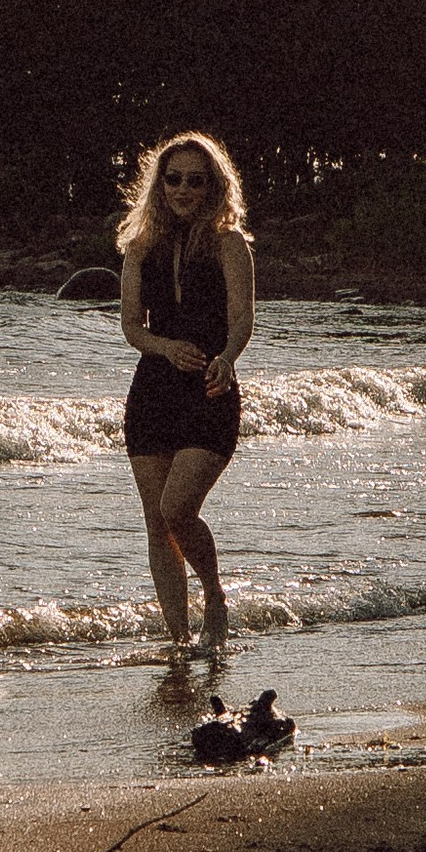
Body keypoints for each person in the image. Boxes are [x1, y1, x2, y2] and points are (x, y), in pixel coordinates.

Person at [118, 131, 255, 654]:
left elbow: (242, 319)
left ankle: (215, 596)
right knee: (157, 522)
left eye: (195, 181)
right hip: (153, 389)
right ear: (159, 182)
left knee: (178, 508)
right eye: (173, 178)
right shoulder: (141, 244)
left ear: (213, 186)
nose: (182, 189)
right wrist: (165, 347)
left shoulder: (228, 242)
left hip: (209, 387)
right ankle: (178, 644)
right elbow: (132, 327)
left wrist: (226, 358)